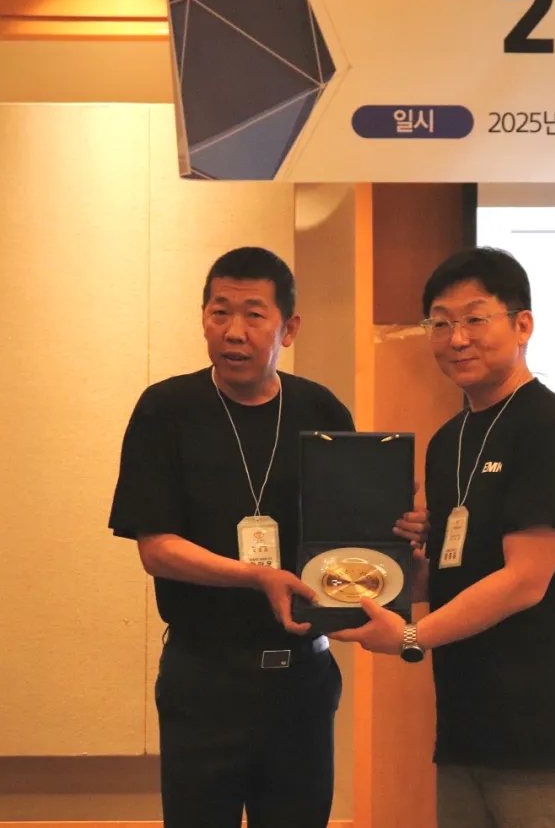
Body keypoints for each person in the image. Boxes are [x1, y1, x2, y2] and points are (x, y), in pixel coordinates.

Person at [108, 246, 427, 828]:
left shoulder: (320, 409)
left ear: (289, 328)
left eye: (254, 315)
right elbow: (157, 549)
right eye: (219, 312)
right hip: (203, 677)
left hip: (302, 681)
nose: (234, 331)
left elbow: (350, 541)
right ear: (203, 318)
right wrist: (257, 577)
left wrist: (398, 532)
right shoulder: (166, 410)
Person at [332, 247, 555, 828]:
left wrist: (411, 634)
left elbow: (524, 581)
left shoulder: (550, 428)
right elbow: (457, 573)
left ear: (522, 325)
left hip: (542, 737)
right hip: (466, 730)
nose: (456, 338)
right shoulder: (448, 441)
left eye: (475, 318)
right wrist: (396, 575)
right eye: (440, 323)